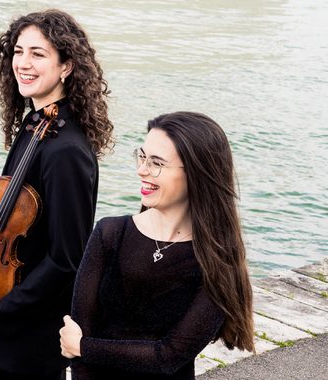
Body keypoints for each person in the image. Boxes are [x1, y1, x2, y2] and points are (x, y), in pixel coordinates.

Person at [0, 9, 114, 380]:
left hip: (30, 338)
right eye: (18, 51)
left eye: (38, 54)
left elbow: (66, 261)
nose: (23, 63)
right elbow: (5, 232)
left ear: (67, 67)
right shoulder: (38, 124)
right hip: (6, 321)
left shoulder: (66, 151)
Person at [58, 112, 255, 379]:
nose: (142, 170)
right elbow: (78, 340)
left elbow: (168, 357)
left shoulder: (217, 260)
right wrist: (81, 348)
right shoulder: (110, 233)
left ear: (196, 172)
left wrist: (84, 347)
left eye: (157, 163)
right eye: (142, 157)